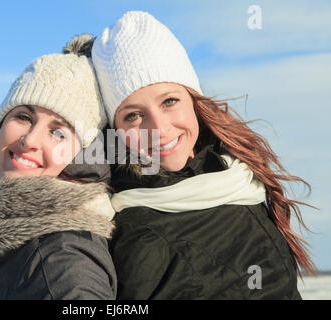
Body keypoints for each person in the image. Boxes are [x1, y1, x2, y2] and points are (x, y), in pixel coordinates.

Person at [91, 11, 314, 299]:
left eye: (169, 101)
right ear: (116, 129)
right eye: (133, 115)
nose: (158, 128)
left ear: (193, 100)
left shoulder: (241, 175)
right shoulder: (127, 230)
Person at [0, 34, 117, 299]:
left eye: (58, 133)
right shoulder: (5, 240)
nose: (30, 140)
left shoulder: (62, 256)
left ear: (81, 154)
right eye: (23, 116)